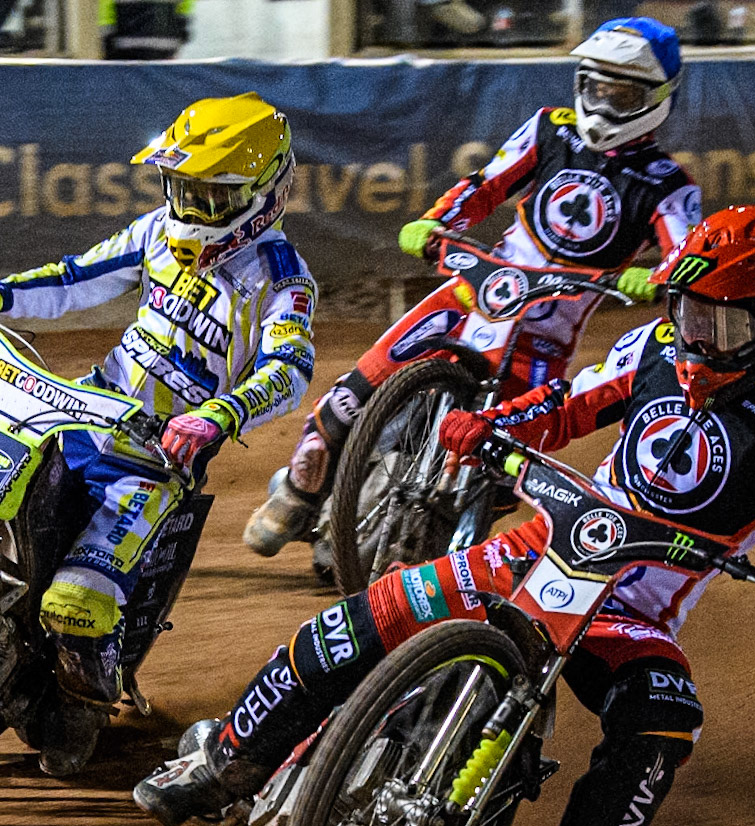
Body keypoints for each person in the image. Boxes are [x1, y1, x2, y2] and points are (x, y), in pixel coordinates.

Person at [138, 206, 755, 826]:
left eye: (722, 327)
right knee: (357, 620)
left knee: (664, 720)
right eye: (689, 314)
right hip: (538, 545)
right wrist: (489, 422)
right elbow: (565, 405)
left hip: (629, 616)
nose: (698, 339)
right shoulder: (654, 348)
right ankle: (223, 762)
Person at [0, 93, 316, 776]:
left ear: (259, 196)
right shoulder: (155, 233)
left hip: (155, 461)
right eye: (181, 189)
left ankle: (80, 708)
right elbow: (78, 279)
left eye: (209, 195)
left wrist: (220, 416)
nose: (189, 208)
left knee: (78, 605)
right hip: (79, 413)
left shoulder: (279, 280)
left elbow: (289, 371)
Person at [243, 15, 702, 566]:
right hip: (477, 293)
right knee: (353, 394)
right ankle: (297, 492)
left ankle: (438, 540)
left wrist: (659, 280)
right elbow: (485, 186)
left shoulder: (668, 184)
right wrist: (436, 222)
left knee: (506, 462)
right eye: (596, 87)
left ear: (655, 99)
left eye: (622, 93)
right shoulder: (548, 130)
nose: (604, 104)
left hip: (546, 335)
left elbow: (687, 258)